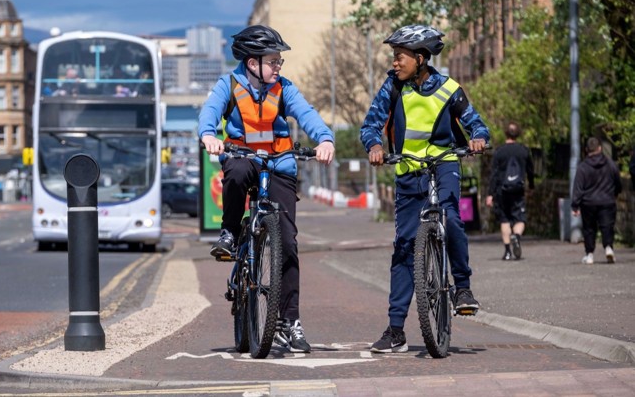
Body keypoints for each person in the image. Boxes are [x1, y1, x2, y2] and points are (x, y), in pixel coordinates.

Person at [198, 25, 335, 353]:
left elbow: (307, 114)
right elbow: (210, 112)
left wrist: (325, 139)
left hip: (279, 164)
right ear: (252, 63)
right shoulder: (229, 85)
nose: (278, 67)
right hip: (243, 158)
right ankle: (230, 232)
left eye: (279, 61)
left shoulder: (284, 88)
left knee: (287, 243)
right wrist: (208, 135)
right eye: (273, 61)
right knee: (236, 172)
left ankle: (289, 321)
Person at [359, 24, 490, 353]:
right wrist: (374, 145)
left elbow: (475, 123)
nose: (394, 63)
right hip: (408, 171)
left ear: (420, 58)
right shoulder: (392, 87)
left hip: (444, 165)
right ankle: (395, 331)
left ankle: (463, 288)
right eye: (393, 57)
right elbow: (371, 124)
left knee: (451, 217)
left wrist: (478, 138)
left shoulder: (449, 89)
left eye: (399, 57)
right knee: (404, 247)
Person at [485, 122, 534, 260]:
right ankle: (516, 236)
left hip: (502, 191)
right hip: (518, 189)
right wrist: (531, 186)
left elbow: (494, 174)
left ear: (505, 133)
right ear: (518, 134)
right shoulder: (524, 150)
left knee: (504, 219)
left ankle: (507, 252)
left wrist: (490, 194)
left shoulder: (499, 151)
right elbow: (530, 171)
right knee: (520, 218)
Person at [571, 137, 621, 264]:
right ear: (599, 148)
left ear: (587, 150)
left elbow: (578, 187)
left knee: (589, 229)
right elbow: (617, 180)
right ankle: (608, 247)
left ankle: (590, 254)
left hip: (588, 203)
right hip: (607, 200)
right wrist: (616, 193)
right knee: (607, 226)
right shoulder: (610, 164)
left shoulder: (583, 167)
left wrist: (575, 205)